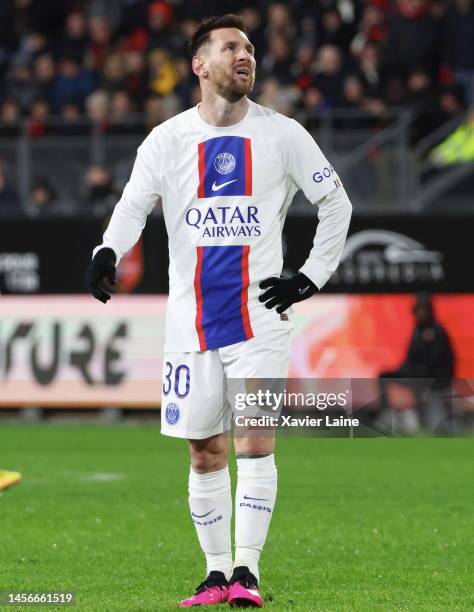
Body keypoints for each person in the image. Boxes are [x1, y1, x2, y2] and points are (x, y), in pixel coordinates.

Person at [85, 14, 352, 608]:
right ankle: (213, 574)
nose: (245, 55)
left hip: (260, 319)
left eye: (251, 48)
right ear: (199, 65)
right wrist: (108, 248)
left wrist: (309, 277)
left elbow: (336, 204)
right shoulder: (166, 139)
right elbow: (133, 206)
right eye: (231, 47)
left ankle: (247, 573)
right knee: (204, 449)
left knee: (256, 441)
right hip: (190, 322)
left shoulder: (284, 135)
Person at [378, 295, 455, 432]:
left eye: (424, 310)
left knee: (436, 425)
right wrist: (403, 371)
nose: (421, 314)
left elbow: (435, 361)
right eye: (418, 310)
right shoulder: (417, 332)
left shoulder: (438, 332)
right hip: (416, 374)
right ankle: (387, 414)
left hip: (435, 379)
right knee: (384, 376)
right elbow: (410, 358)